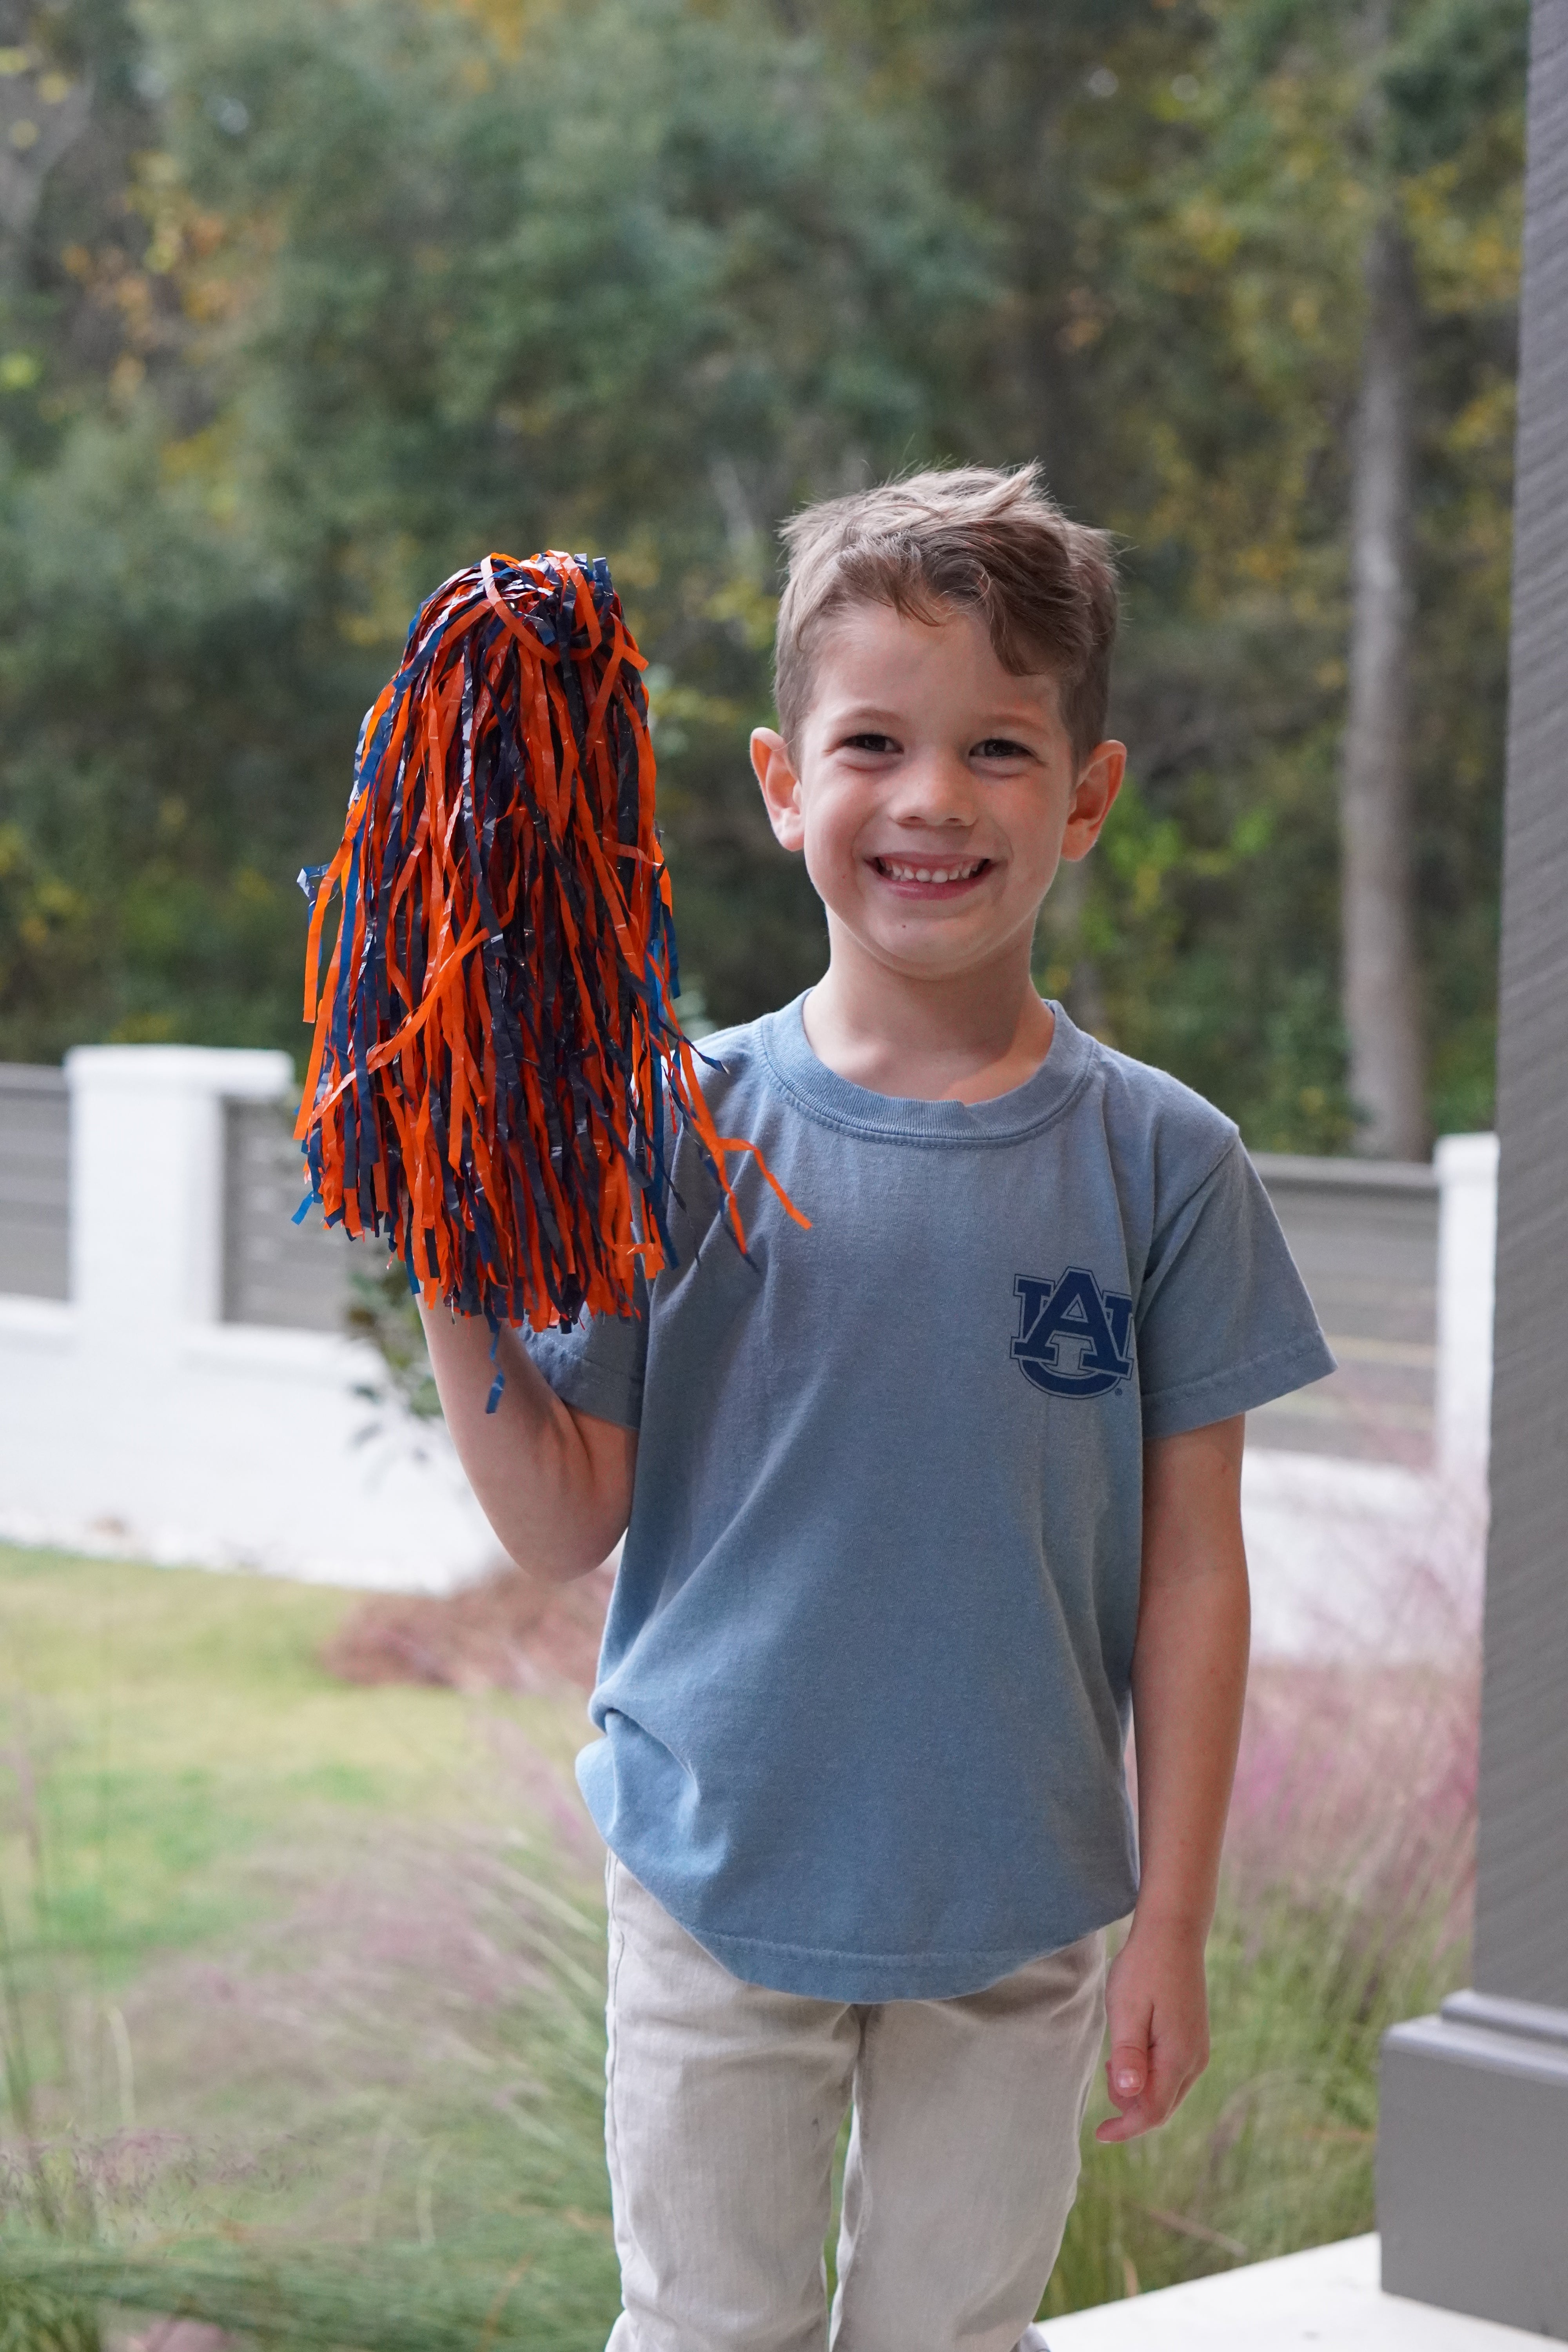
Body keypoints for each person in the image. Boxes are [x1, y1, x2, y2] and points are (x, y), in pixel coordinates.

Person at [420, 465, 1334, 2352]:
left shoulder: (1165, 1165)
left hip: (1017, 1908)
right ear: (779, 783)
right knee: (706, 2333)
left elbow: (1191, 1574)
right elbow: (558, 1516)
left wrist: (1170, 1917)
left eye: (999, 746)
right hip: (710, 1876)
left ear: (1085, 792)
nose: (930, 798)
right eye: (873, 743)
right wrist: (451, 1258)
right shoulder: (675, 1131)